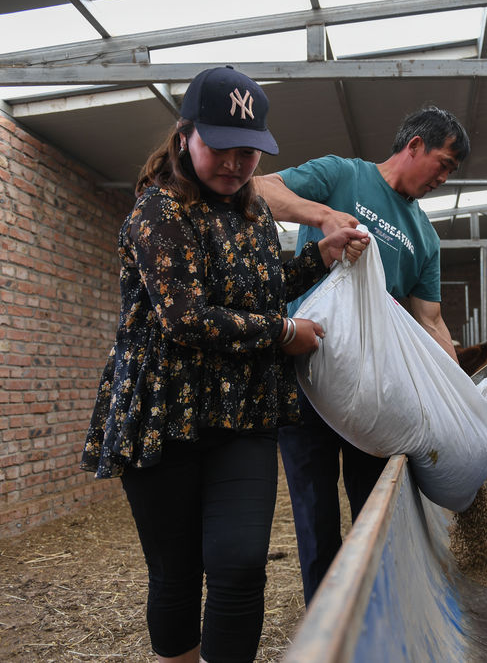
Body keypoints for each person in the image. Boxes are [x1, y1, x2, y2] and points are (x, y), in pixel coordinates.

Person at [80, 66, 368, 663]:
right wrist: (284, 331)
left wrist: (318, 256)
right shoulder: (158, 212)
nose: (237, 164)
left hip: (243, 409)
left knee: (240, 564)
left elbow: (258, 289)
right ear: (185, 136)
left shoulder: (255, 212)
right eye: (222, 147)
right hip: (164, 409)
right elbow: (185, 316)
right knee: (177, 572)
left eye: (250, 151)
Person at [254, 105, 470, 604]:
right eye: (443, 163)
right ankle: (327, 617)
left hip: (373, 387)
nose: (444, 178)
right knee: (313, 506)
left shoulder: (425, 236)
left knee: (375, 497)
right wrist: (322, 213)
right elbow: (261, 189)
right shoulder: (341, 174)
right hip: (305, 368)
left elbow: (430, 319)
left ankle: (378, 607)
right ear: (414, 145)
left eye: (451, 173)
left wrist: (459, 395)